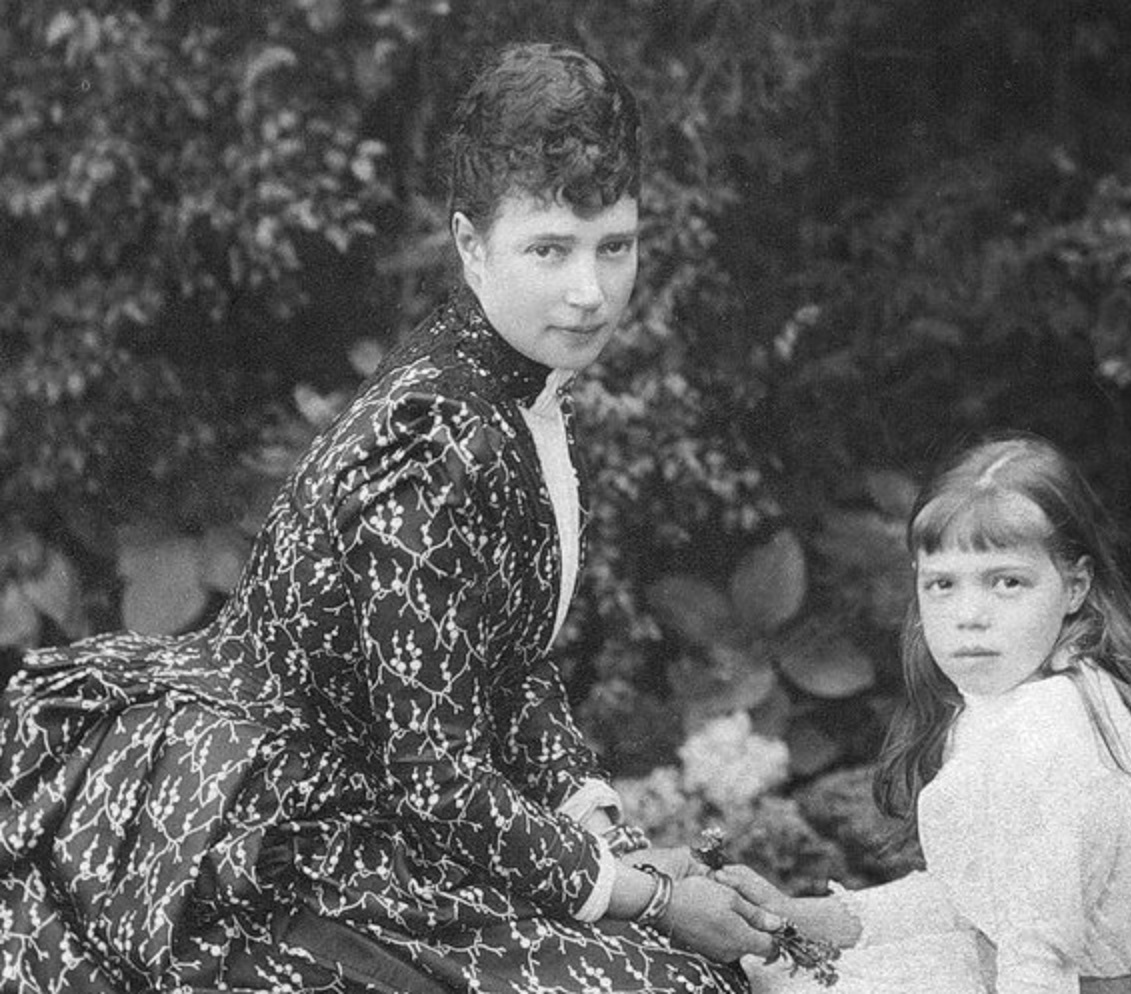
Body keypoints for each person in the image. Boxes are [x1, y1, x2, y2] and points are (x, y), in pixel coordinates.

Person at [0, 42, 779, 994]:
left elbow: (509, 670)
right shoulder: (433, 441)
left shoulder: (513, 386)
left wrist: (614, 840)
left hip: (384, 799)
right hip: (269, 834)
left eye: (613, 245)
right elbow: (438, 774)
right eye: (550, 248)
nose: (590, 290)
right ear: (468, 245)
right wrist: (648, 898)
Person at [716, 431, 1131, 994]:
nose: (969, 615)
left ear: (1074, 587)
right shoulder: (1036, 695)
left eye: (1007, 582)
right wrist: (798, 916)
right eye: (943, 584)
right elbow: (975, 899)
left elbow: (1039, 957)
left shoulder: (1048, 735)